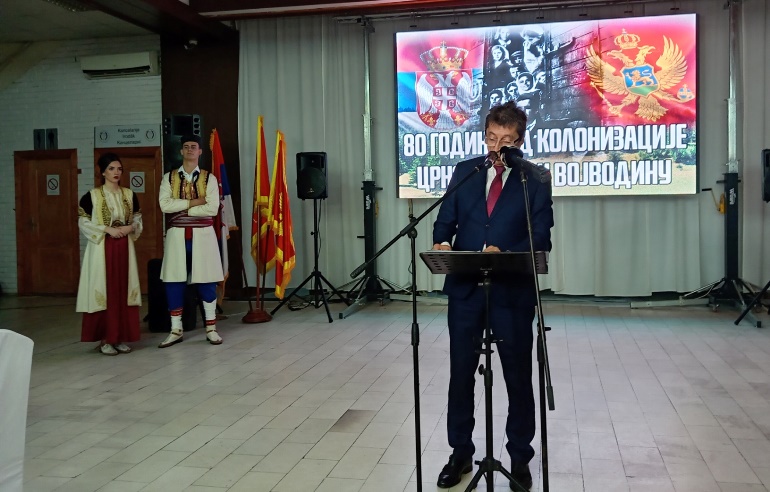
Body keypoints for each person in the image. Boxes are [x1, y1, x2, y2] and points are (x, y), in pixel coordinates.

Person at [432, 101, 554, 491]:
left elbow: (541, 236)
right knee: (460, 375)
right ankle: (460, 453)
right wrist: (442, 241)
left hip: (512, 292)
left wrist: (507, 250)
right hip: (466, 290)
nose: (496, 147)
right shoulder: (465, 171)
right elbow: (445, 220)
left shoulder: (535, 178)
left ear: (520, 141)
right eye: (491, 138)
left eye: (506, 140)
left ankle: (519, 458)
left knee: (518, 377)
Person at [157, 134, 224, 348]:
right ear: (181, 151)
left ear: (200, 151)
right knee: (174, 280)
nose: (189, 150)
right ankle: (175, 330)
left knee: (206, 279)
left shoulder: (209, 178)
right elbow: (164, 206)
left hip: (203, 235)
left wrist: (181, 206)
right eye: (186, 147)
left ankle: (211, 328)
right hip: (177, 235)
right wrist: (196, 202)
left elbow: (212, 209)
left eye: (193, 146)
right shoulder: (168, 178)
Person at [76, 153, 142, 356]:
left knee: (123, 289)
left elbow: (137, 218)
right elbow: (83, 221)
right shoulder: (92, 196)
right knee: (106, 290)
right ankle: (106, 338)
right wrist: (107, 229)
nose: (116, 172)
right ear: (103, 172)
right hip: (102, 248)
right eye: (111, 169)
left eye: (119, 169)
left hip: (124, 248)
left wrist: (131, 227)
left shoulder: (129, 195)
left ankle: (119, 337)